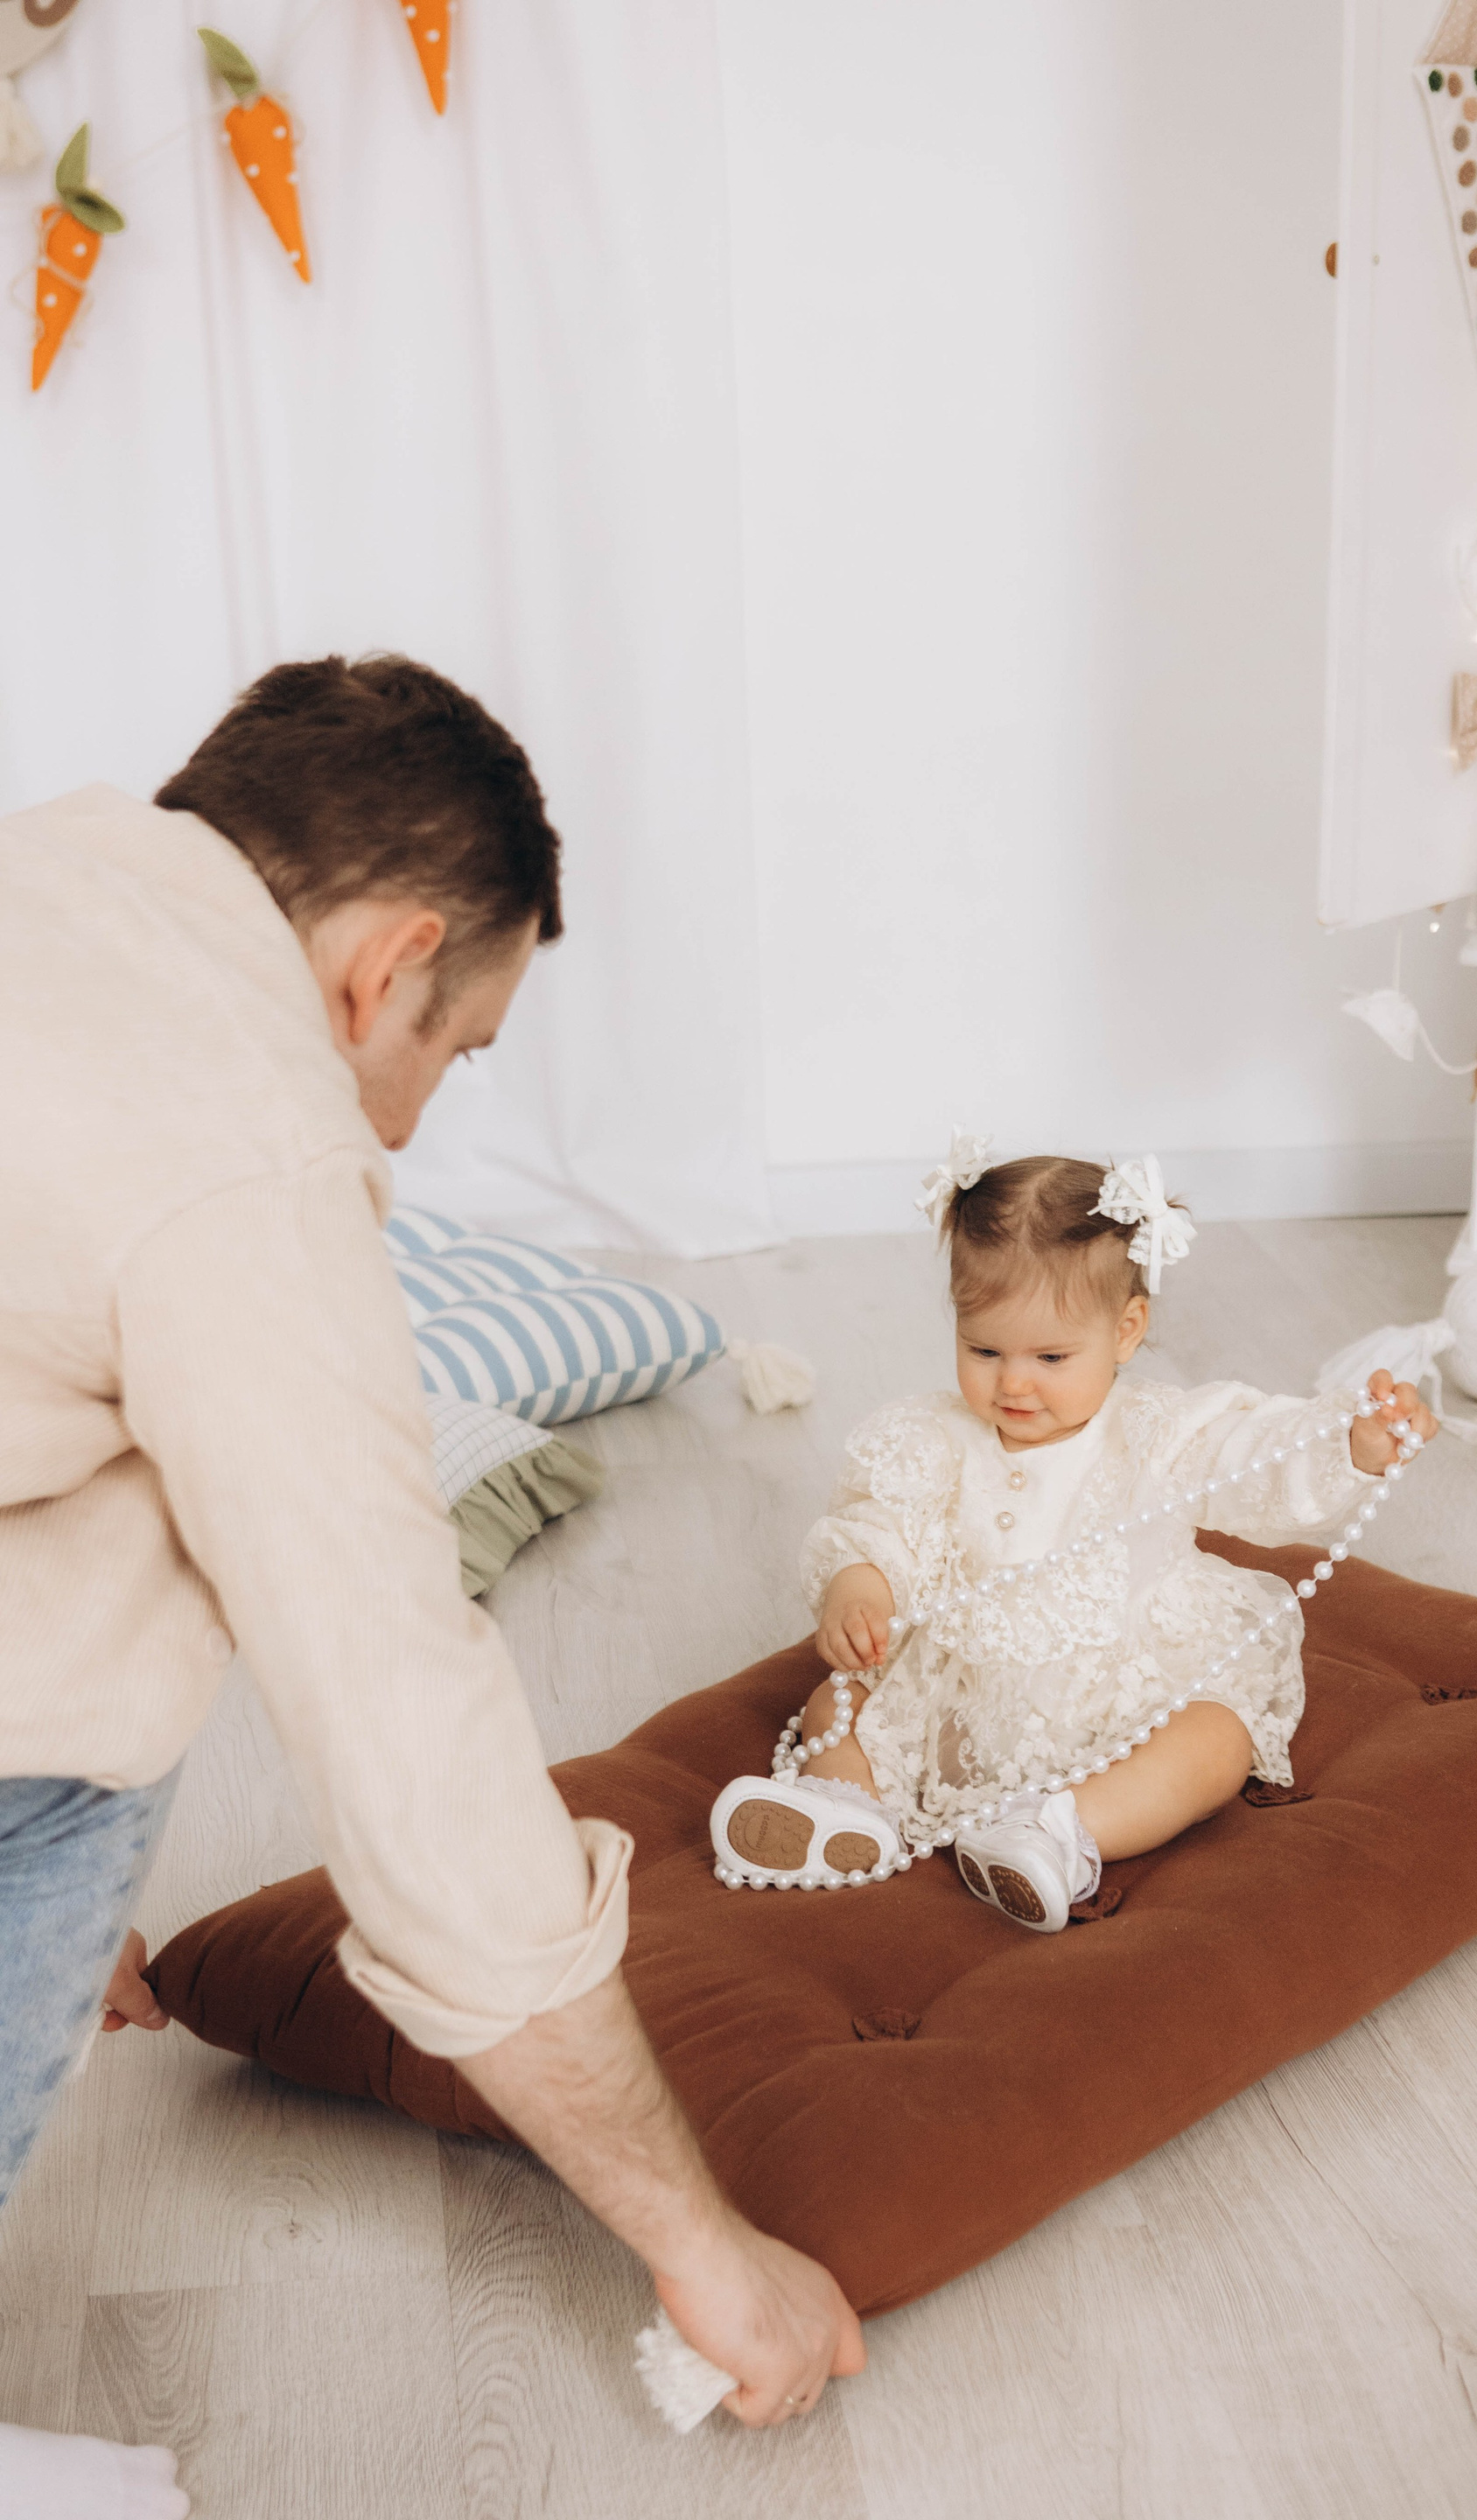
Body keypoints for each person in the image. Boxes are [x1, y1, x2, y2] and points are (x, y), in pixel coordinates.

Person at [0, 656, 862, 2519]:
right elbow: (409, 1746)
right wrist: (701, 2246)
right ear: (385, 968)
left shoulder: (54, 863)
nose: (401, 1132)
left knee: (125, 1476)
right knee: (201, 1556)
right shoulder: (240, 1157)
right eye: (453, 1055)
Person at [710, 1140, 1438, 1926]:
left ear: (1126, 1331)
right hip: (958, 1693)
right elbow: (880, 1523)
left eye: (1052, 1356)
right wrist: (861, 1588)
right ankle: (849, 1809)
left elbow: (1251, 1456)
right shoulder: (929, 1439)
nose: (1013, 1381)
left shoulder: (1157, 1432)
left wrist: (1348, 1443)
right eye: (983, 1349)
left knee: (1217, 1740)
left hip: (1120, 1698)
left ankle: (1058, 1833)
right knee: (838, 1702)